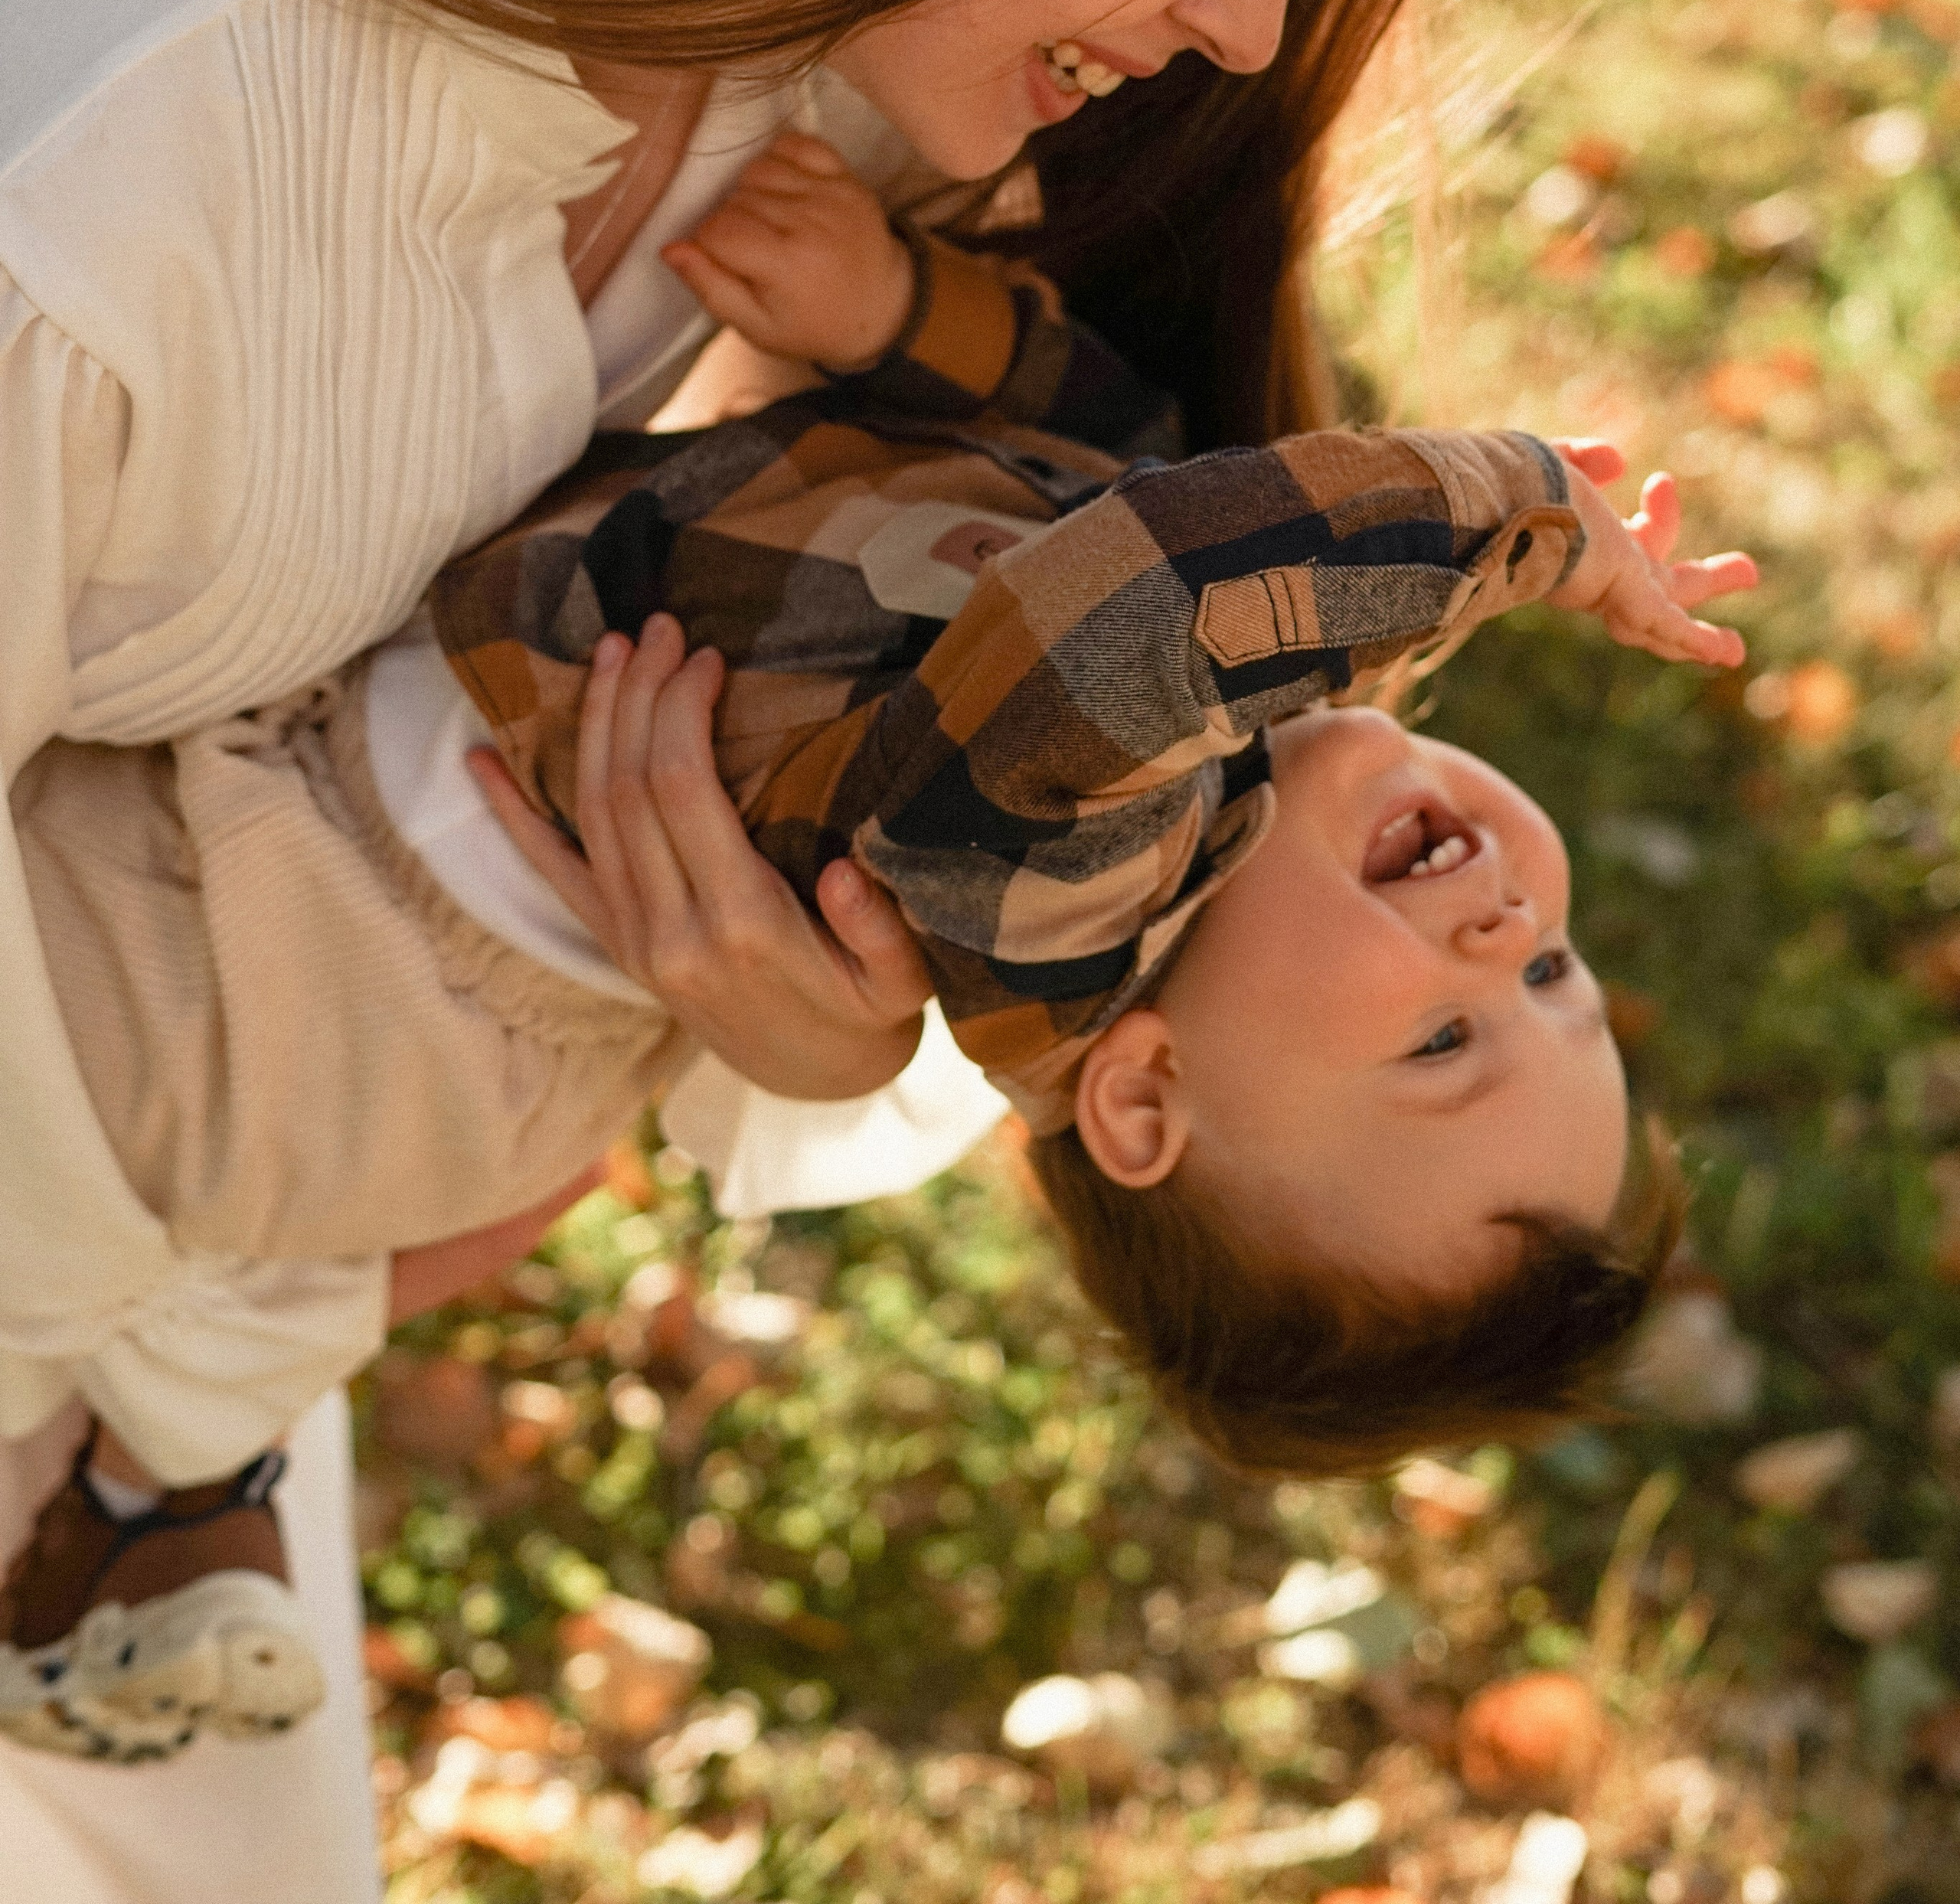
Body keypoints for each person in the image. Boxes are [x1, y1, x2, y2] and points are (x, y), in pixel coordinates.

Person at [0, 0, 1501, 1892]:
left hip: (139, 1441)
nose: (1242, 27)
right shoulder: (105, 154)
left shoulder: (787, 127)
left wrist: (793, 1027)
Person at [2, 132, 1749, 1755]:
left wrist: (1505, 514)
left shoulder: (1069, 900)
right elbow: (1123, 443)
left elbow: (1132, 599)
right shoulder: (1214, 752)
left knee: (56, 1124)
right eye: (1549, 985)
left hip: (322, 975)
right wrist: (909, 312)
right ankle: (175, 1442)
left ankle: (148, 1458)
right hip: (399, 863)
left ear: (1142, 1104)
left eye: (1440, 1044)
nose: (1509, 928)